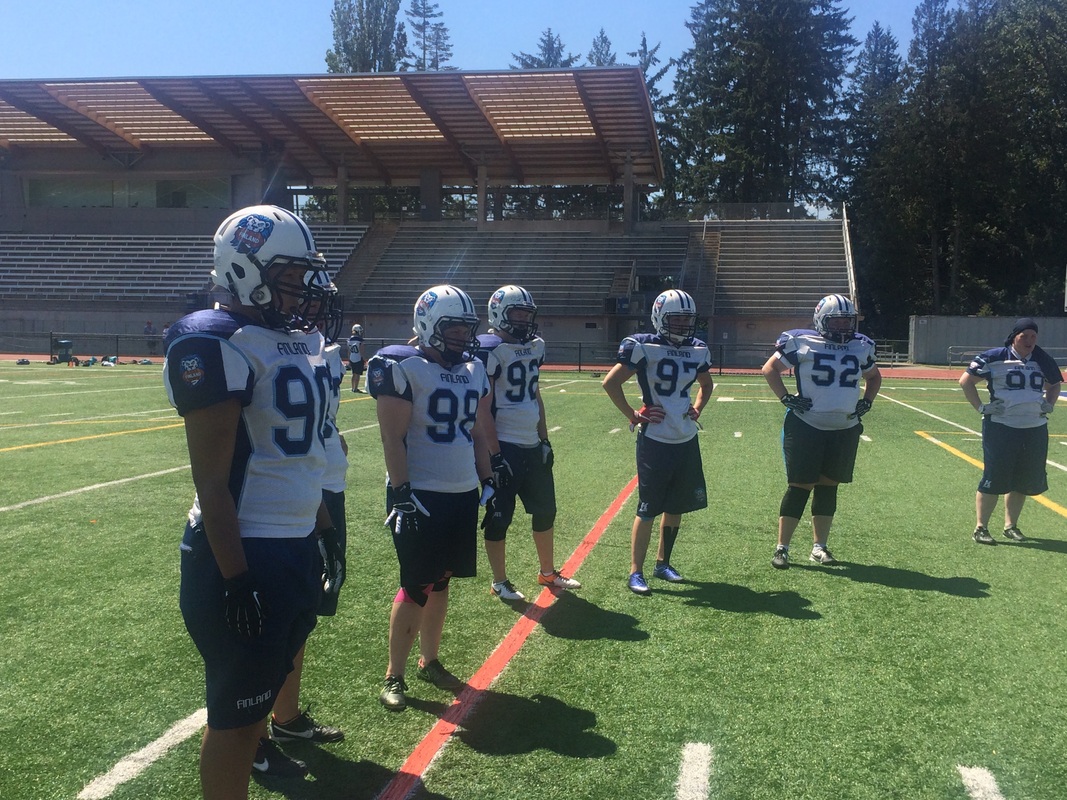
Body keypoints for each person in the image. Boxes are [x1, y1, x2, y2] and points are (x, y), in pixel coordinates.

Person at [164, 205, 338, 799]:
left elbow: (298, 458)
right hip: (243, 551)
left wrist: (321, 530)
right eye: (289, 276)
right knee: (236, 723)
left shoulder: (290, 340)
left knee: (256, 707)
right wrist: (237, 580)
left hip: (292, 542)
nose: (302, 289)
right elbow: (213, 483)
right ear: (244, 270)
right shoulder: (215, 342)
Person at [366, 284, 495, 710]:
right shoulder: (403, 366)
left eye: (465, 328)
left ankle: (430, 660)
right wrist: (401, 492)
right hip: (420, 494)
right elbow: (392, 437)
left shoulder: (474, 369)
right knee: (417, 582)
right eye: (452, 328)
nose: (462, 336)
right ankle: (394, 674)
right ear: (428, 325)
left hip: (461, 491)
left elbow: (478, 433)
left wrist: (488, 479)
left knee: (441, 580)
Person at [265, 290, 347, 757]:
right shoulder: (255, 343)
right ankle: (255, 731)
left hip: (324, 485)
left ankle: (286, 717)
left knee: (304, 611)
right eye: (295, 288)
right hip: (287, 494)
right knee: (273, 618)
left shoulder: (321, 349)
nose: (312, 309)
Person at [602, 289, 713, 596]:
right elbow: (610, 382)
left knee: (676, 505)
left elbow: (706, 384)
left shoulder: (698, 348)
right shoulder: (643, 346)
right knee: (648, 507)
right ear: (660, 318)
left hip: (685, 437)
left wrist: (697, 408)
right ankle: (635, 571)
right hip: (656, 438)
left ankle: (663, 563)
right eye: (676, 319)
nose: (683, 325)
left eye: (687, 320)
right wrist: (633, 415)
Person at [475, 285, 580, 602]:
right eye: (517, 314)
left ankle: (547, 572)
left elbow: (535, 396)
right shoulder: (490, 349)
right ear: (498, 314)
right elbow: (482, 408)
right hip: (505, 445)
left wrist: (544, 439)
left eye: (526, 314)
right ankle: (499, 581)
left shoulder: (534, 347)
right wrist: (494, 455)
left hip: (532, 444)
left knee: (546, 510)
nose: (523, 320)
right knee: (499, 516)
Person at [761, 294, 881, 569]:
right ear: (821, 320)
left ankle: (819, 547)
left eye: (846, 321)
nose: (842, 326)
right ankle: (782, 548)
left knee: (828, 487)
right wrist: (785, 398)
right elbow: (770, 369)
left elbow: (874, 376)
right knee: (800, 486)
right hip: (807, 425)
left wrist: (868, 401)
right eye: (836, 321)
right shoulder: (801, 340)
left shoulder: (861, 345)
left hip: (845, 428)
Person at [959, 317, 1063, 544]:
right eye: (1024, 336)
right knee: (994, 477)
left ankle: (1010, 526)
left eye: (1033, 336)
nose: (1029, 341)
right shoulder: (995, 357)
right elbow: (966, 381)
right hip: (1001, 426)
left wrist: (1049, 403)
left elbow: (1055, 383)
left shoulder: (1042, 359)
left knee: (1022, 479)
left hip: (1034, 427)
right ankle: (981, 527)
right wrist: (981, 407)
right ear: (1014, 337)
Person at [348, 323, 366, 392]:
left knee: (353, 374)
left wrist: (349, 359)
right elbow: (361, 350)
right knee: (357, 374)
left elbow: (348, 351)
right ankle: (355, 388)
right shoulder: (360, 340)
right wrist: (363, 358)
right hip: (358, 358)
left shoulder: (349, 340)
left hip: (352, 357)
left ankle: (352, 387)